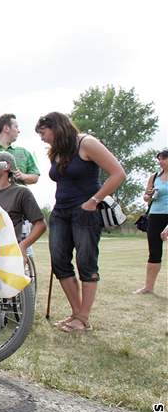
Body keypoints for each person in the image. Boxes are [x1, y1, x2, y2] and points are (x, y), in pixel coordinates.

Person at [36, 112, 125, 333]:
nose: (42, 138)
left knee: (86, 262)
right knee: (59, 261)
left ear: (56, 127)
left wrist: (94, 201)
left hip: (84, 211)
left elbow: (118, 173)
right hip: (60, 212)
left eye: (43, 133)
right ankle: (76, 313)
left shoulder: (87, 143)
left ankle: (83, 317)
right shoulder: (58, 150)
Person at [0, 151, 47, 258]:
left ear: (6, 166)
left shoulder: (21, 193)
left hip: (8, 253)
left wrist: (23, 246)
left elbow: (40, 225)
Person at [133, 149, 168, 295]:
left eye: (164, 158)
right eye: (159, 159)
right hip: (155, 215)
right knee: (154, 252)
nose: (160, 161)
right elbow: (146, 197)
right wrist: (150, 195)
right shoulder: (154, 177)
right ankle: (148, 287)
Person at [0, 114, 40, 186]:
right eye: (16, 127)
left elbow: (35, 176)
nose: (19, 131)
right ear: (6, 128)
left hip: (18, 196)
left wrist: (23, 176)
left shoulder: (24, 152)